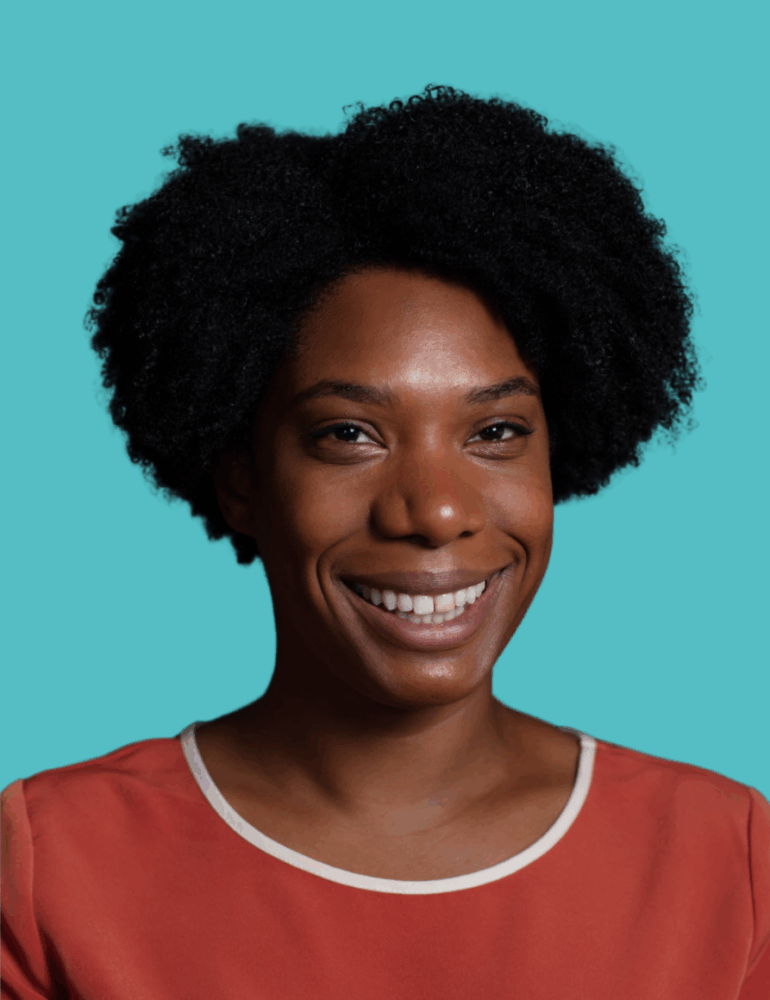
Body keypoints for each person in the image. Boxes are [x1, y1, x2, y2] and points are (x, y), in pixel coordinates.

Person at [2, 86, 768, 999]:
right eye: (348, 435)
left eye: (495, 434)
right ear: (241, 475)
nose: (435, 512)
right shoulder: (48, 864)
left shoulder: (729, 858)